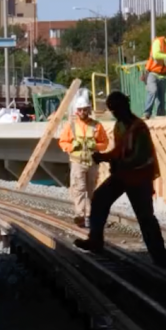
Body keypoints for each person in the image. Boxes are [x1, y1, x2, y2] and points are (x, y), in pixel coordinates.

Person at [76, 91, 166, 268]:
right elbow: (119, 151)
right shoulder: (119, 126)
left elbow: (140, 157)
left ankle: (161, 260)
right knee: (99, 199)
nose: (115, 113)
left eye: (116, 109)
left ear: (124, 106)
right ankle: (95, 240)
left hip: (139, 178)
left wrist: (114, 161)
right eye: (112, 110)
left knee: (145, 218)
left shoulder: (139, 128)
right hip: (123, 175)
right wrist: (106, 157)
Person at [58, 89, 109, 227]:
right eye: (80, 110)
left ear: (88, 110)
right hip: (77, 162)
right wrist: (71, 146)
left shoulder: (97, 126)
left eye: (84, 109)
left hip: (92, 163)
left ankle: (89, 215)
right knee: (79, 188)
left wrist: (96, 145)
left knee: (90, 189)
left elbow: (105, 143)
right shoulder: (72, 126)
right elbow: (63, 142)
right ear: (76, 111)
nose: (82, 112)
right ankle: (81, 215)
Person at [143, 26, 166, 119]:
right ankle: (147, 113)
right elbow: (156, 55)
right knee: (153, 91)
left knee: (161, 98)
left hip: (162, 75)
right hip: (152, 73)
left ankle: (161, 116)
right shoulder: (158, 41)